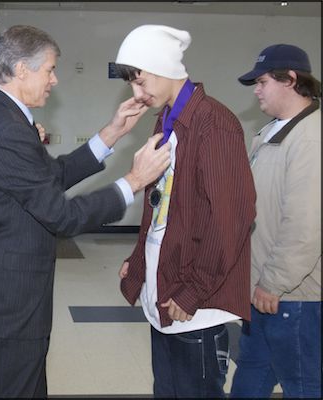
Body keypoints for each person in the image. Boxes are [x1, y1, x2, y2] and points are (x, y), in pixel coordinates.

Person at [0, 24, 171, 398]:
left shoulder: (1, 115)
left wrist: (111, 134)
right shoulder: (5, 128)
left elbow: (50, 177)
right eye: (50, 69)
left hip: (4, 299)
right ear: (22, 69)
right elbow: (63, 216)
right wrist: (133, 181)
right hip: (9, 306)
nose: (54, 80)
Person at [115, 25, 256, 398]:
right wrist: (138, 261)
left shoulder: (215, 123)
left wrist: (194, 290)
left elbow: (231, 220)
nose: (136, 92)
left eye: (140, 80)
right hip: (167, 292)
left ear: (163, 67)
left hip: (196, 304)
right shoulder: (166, 121)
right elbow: (160, 208)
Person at [230, 44, 321, 399]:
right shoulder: (271, 133)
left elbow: (305, 225)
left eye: (263, 81)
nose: (256, 90)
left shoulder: (311, 138)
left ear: (291, 80)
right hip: (263, 291)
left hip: (293, 296)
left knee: (303, 384)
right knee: (250, 379)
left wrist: (274, 282)